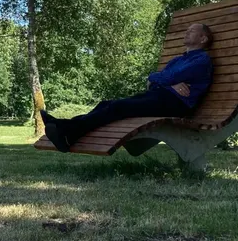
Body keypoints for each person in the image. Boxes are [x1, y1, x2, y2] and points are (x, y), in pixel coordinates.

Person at [42, 22, 214, 152]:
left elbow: (165, 76)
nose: (187, 32)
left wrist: (162, 79)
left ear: (203, 39)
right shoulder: (178, 59)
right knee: (105, 104)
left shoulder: (201, 61)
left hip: (176, 104)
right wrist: (165, 81)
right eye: (188, 29)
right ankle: (64, 127)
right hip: (159, 96)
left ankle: (67, 133)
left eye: (192, 31)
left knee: (118, 107)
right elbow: (153, 78)